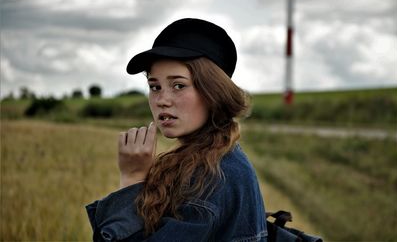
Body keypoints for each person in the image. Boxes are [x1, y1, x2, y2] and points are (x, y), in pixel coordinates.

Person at [86, 18, 268, 242]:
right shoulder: (219, 158)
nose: (162, 100)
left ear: (213, 92)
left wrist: (132, 179)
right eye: (155, 87)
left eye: (179, 85)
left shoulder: (211, 178)